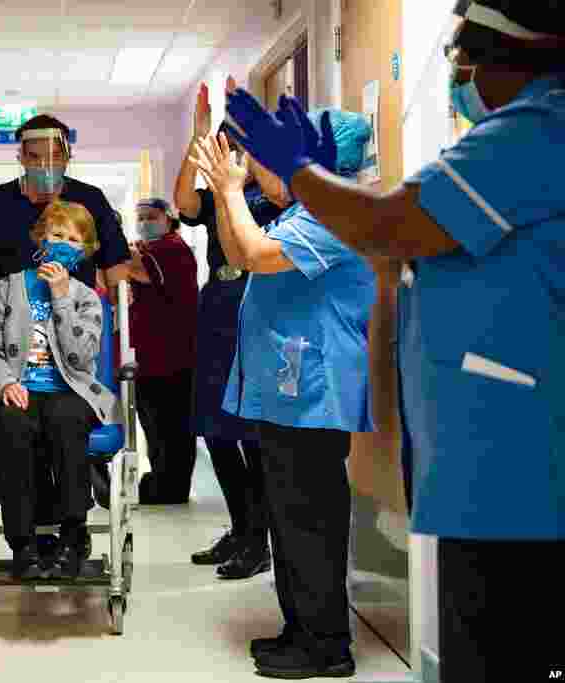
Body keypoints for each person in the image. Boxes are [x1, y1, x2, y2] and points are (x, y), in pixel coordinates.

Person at [222, 2, 564, 679]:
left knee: (495, 645)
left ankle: (320, 640)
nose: (460, 73)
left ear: (522, 54)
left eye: (468, 55)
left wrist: (299, 174)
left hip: (519, 461)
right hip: (497, 456)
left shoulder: (533, 130)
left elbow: (387, 226)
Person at [190, 104, 374, 679]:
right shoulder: (303, 212)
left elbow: (252, 255)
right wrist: (225, 196)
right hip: (287, 394)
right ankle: (301, 631)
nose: (258, 168)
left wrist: (229, 187)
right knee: (289, 521)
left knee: (310, 523)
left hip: (314, 396)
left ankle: (326, 647)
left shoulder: (333, 217)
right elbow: (236, 247)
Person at [0, 201, 116, 580]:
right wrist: (5, 383)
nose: (62, 243)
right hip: (16, 388)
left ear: (82, 251)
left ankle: (72, 536)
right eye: (55, 235)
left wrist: (62, 297)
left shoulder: (87, 299)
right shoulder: (8, 288)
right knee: (12, 422)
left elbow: (82, 359)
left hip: (70, 388)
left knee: (65, 417)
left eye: (72, 239)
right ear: (40, 239)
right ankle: (23, 545)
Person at [176, 84, 283, 577]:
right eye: (222, 141)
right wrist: (196, 138)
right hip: (217, 307)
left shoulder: (273, 194)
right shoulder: (216, 195)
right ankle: (240, 528)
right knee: (215, 428)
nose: (227, 149)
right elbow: (183, 202)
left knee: (251, 434)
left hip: (256, 305)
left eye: (234, 141)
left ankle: (259, 539)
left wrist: (252, 137)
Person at [0, 114, 130, 299]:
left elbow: (114, 259)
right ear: (21, 158)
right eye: (34, 157)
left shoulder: (90, 199)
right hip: (11, 315)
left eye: (54, 156)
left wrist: (119, 294)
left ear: (67, 157)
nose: (44, 165)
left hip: (76, 316)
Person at [124, 198, 199, 505]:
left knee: (167, 428)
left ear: (169, 218)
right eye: (139, 217)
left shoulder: (171, 248)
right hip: (157, 356)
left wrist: (124, 251)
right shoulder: (157, 248)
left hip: (169, 359)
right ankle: (167, 484)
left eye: (150, 217)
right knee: (163, 428)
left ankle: (170, 488)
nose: (144, 222)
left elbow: (136, 270)